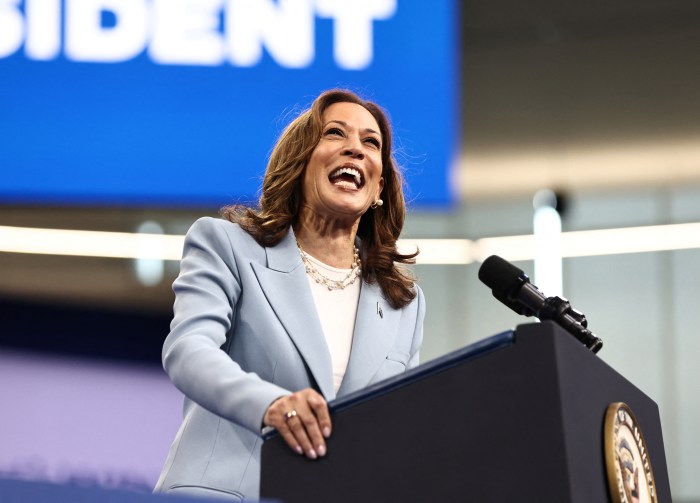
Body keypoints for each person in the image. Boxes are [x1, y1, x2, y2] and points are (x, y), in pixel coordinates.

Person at [154, 89, 425, 501]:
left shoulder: (403, 302)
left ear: (379, 188)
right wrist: (270, 405)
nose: (355, 148)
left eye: (371, 143)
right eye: (335, 134)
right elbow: (188, 351)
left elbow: (401, 426)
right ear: (300, 162)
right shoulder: (227, 246)